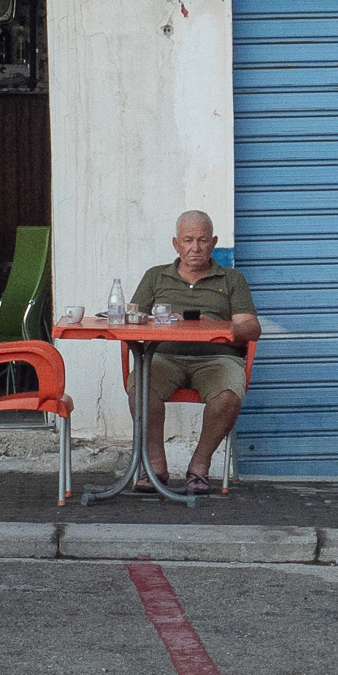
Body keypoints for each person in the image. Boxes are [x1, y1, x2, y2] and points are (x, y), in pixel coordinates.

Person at [129, 211, 262, 495]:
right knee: (140, 386)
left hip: (216, 359)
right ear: (176, 244)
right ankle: (154, 463)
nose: (195, 247)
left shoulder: (231, 279)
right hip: (163, 357)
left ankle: (200, 465)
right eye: (188, 240)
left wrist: (213, 327)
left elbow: (251, 328)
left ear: (213, 243)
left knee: (228, 395)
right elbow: (132, 319)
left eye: (202, 240)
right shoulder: (155, 276)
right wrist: (160, 323)